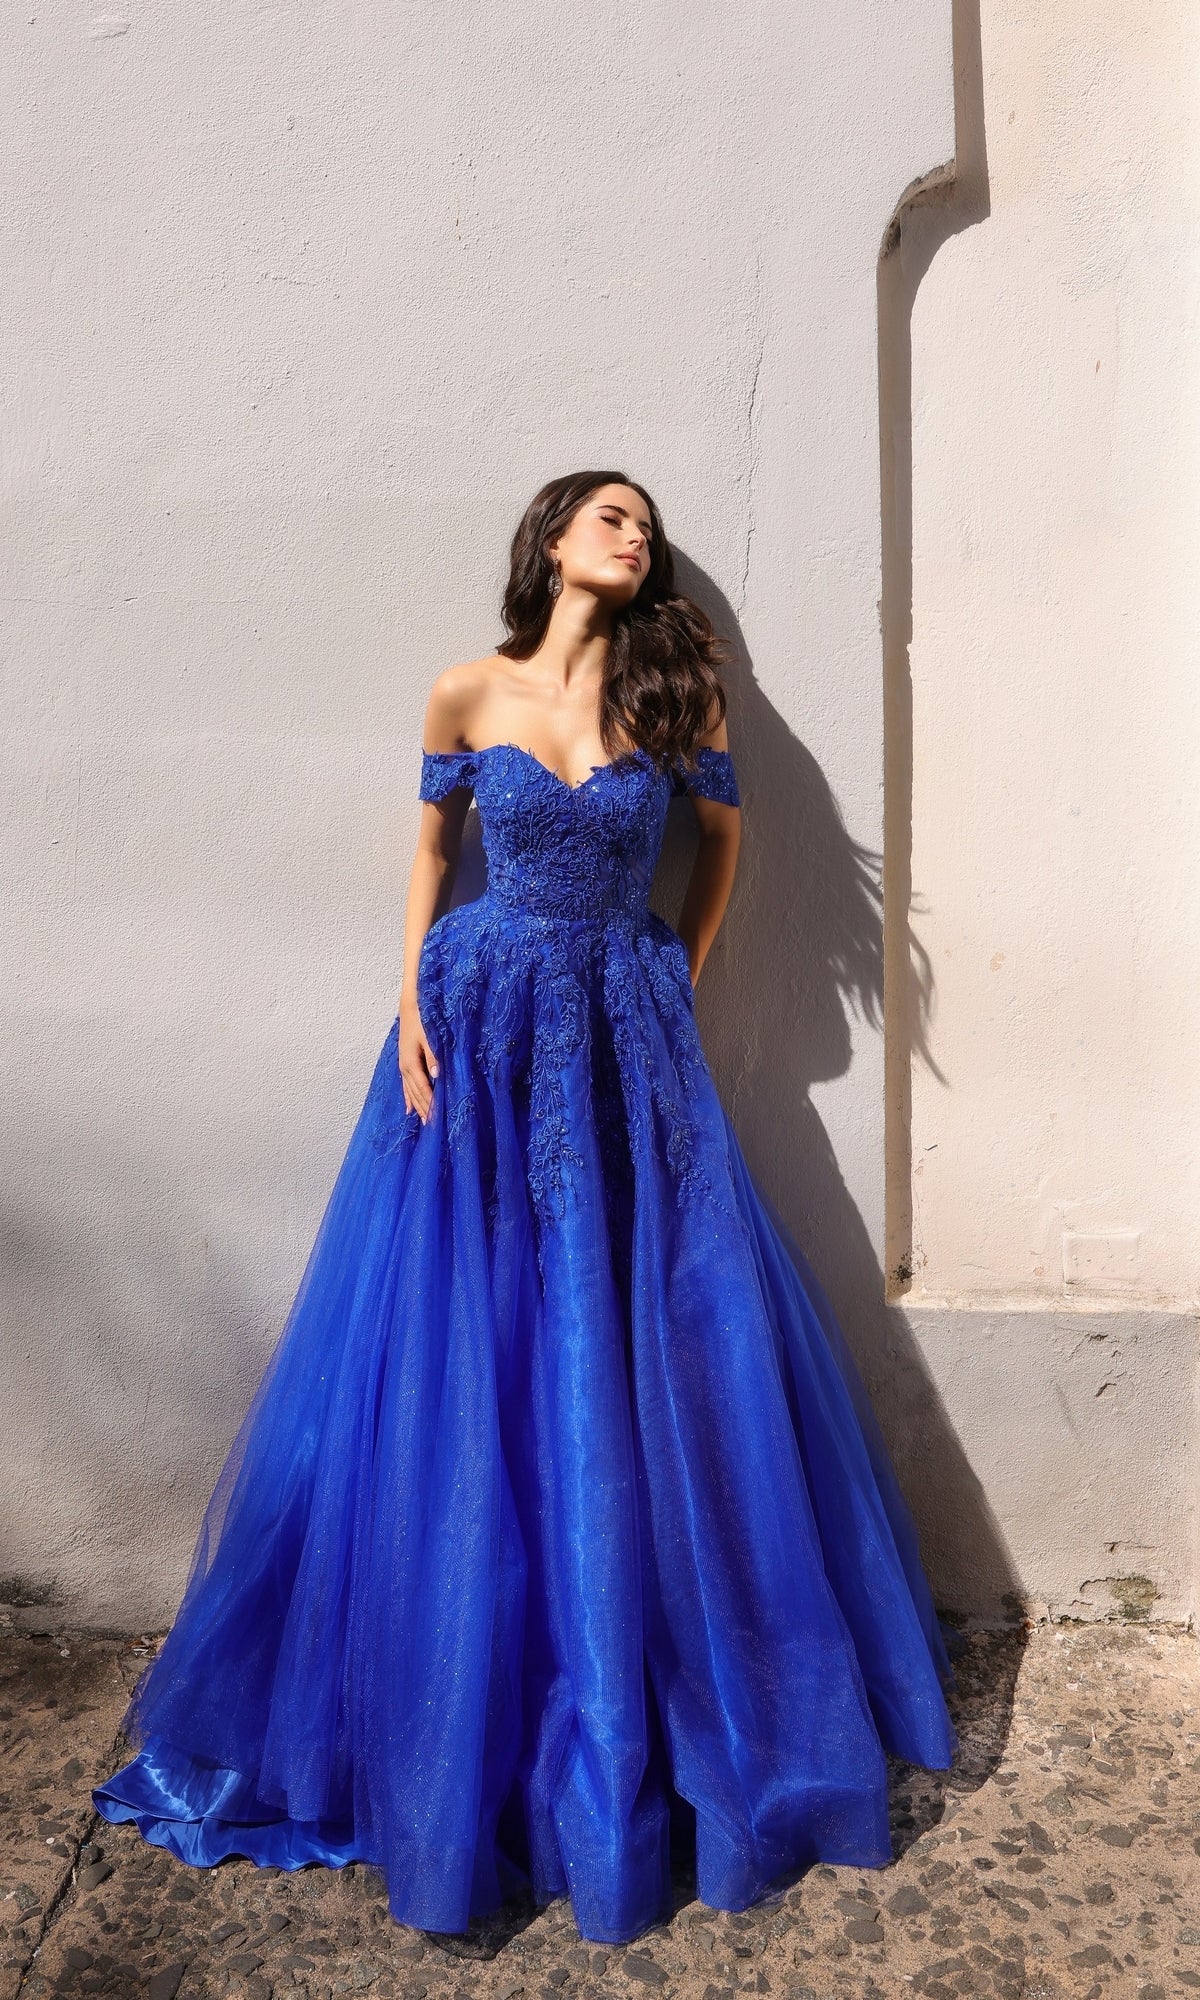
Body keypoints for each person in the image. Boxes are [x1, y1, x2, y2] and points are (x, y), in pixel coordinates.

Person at [93, 469, 959, 1947]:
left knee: (634, 1324)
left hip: (622, 1020)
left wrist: (674, 972)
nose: (633, 531)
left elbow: (726, 846)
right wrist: (410, 1006)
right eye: (606, 512)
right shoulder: (465, 690)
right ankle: (454, 1711)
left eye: (644, 519)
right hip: (477, 1023)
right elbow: (436, 854)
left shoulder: (676, 691)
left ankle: (644, 1700)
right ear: (549, 539)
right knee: (467, 1328)